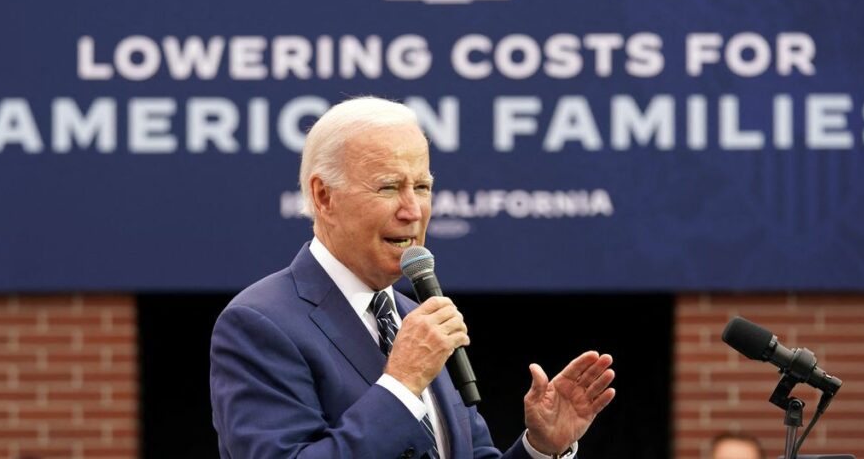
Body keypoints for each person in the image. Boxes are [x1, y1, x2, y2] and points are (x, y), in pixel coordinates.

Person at [210, 97, 616, 458]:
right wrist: (402, 384)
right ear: (323, 197)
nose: (413, 210)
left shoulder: (416, 319)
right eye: (389, 187)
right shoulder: (259, 323)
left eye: (422, 186)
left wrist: (541, 449)